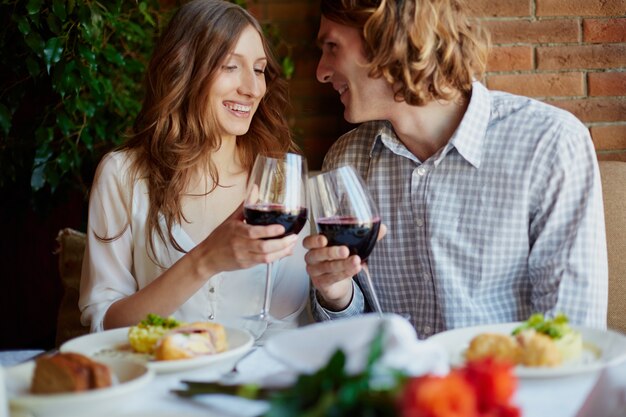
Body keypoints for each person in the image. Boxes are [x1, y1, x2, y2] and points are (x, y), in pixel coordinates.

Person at [304, 0, 608, 338]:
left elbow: (571, 330)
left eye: (332, 47)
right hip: (395, 388)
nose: (321, 72)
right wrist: (336, 294)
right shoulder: (346, 161)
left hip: (507, 386)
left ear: (391, 40)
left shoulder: (549, 143)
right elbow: (356, 339)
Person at [79, 0, 309, 338]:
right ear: (184, 70)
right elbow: (105, 325)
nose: (252, 88)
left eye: (259, 69)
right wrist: (204, 261)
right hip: (167, 381)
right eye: (231, 66)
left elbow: (304, 318)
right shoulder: (123, 175)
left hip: (271, 383)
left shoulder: (280, 180)